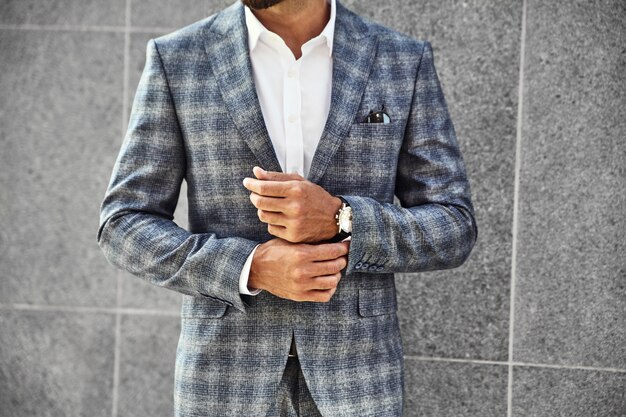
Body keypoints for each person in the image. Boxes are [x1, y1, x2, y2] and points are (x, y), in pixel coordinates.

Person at [98, 0, 477, 415]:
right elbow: (123, 224)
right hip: (223, 382)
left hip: (358, 382)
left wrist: (342, 219)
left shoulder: (400, 59)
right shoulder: (180, 58)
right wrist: (250, 266)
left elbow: (453, 225)